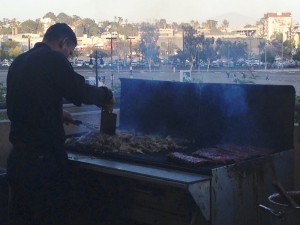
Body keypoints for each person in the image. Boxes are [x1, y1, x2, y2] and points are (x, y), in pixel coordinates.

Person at [5, 23, 115, 225]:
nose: (68, 58)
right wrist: (106, 95)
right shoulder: (53, 58)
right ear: (63, 43)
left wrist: (56, 112)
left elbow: (25, 103)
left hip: (18, 160)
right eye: (70, 52)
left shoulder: (19, 61)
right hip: (43, 162)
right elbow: (78, 91)